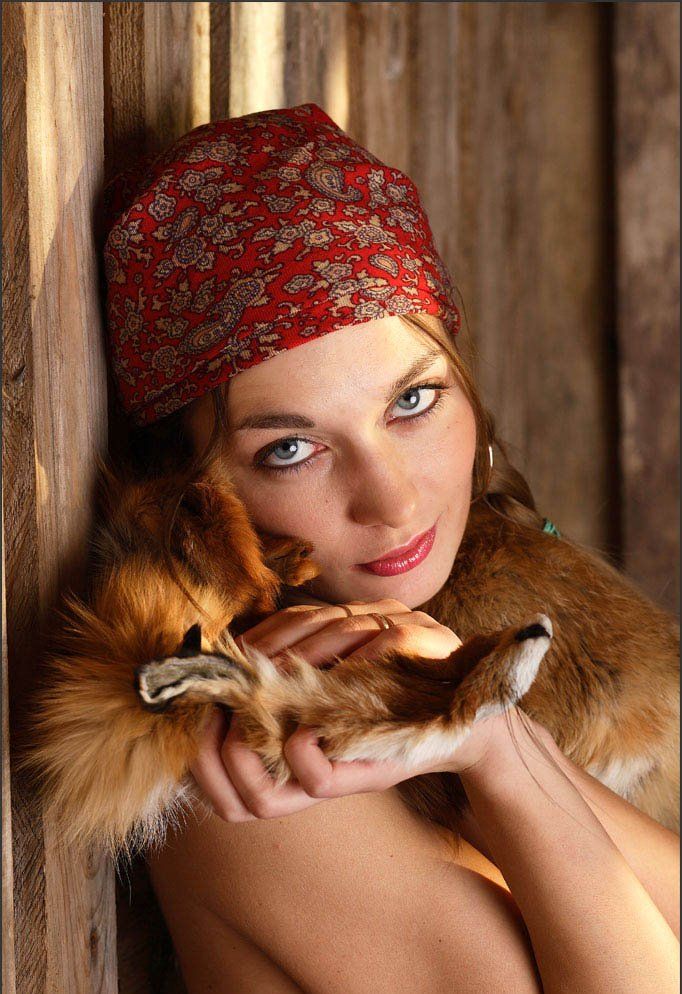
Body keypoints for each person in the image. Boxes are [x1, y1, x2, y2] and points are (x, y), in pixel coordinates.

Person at [101, 104, 680, 993]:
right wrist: (493, 749)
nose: (396, 500)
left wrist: (490, 736)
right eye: (290, 448)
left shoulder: (439, 630)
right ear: (195, 500)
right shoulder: (242, 767)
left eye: (412, 402)